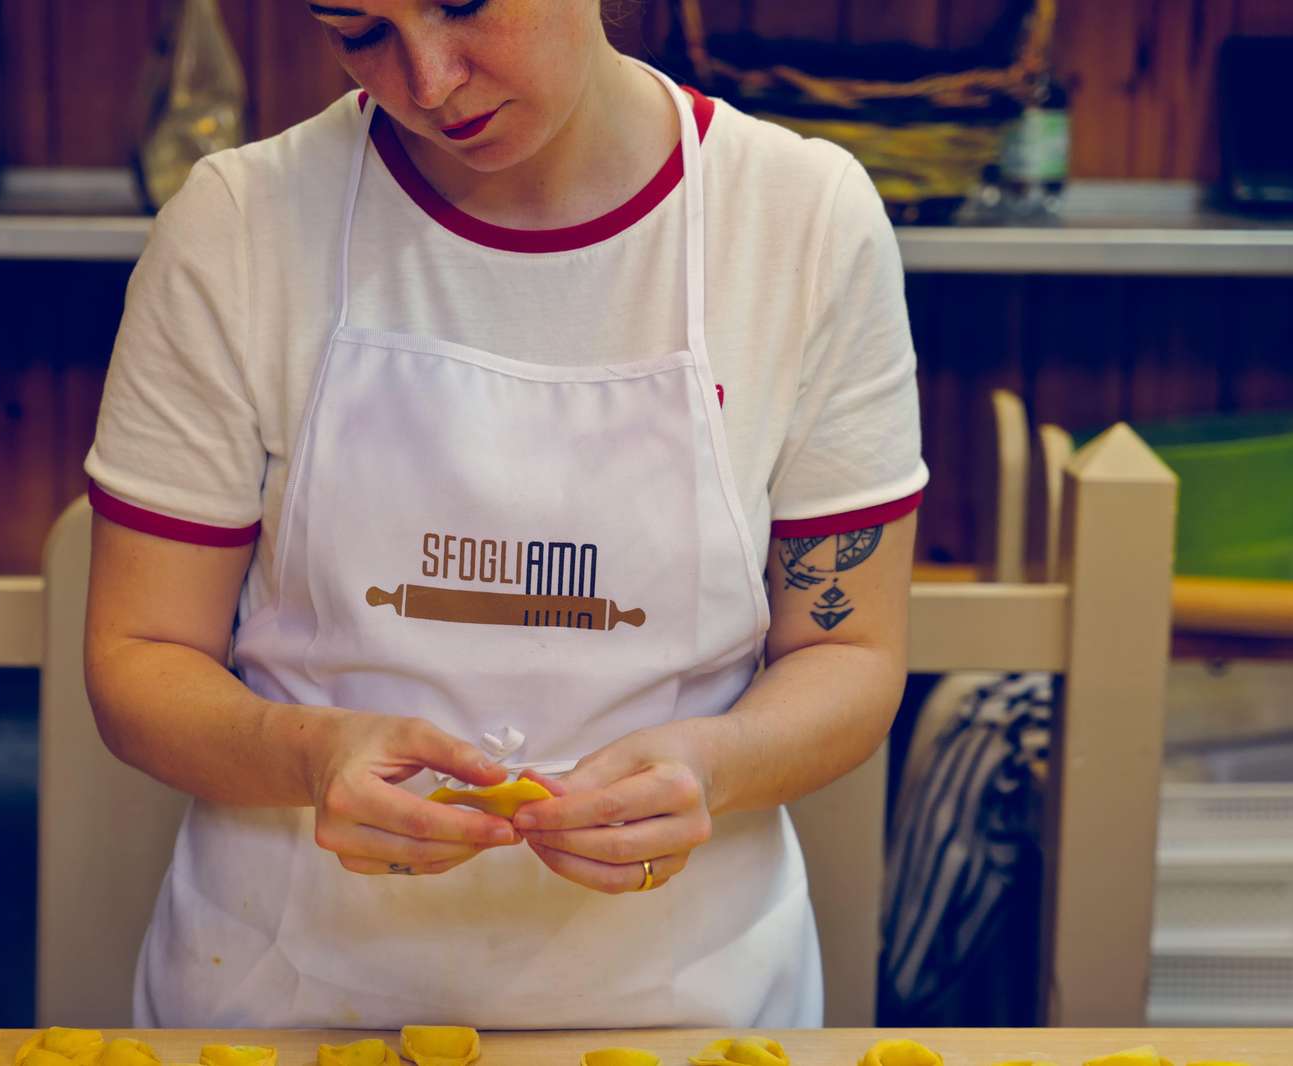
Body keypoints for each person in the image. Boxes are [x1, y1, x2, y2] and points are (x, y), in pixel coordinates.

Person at [82, 0, 927, 1029]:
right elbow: (139, 655)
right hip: (287, 992)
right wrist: (308, 755)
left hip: (684, 1001)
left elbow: (848, 652)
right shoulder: (241, 222)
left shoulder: (798, 218)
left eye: (464, 6)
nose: (429, 82)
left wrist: (714, 762)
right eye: (359, 34)